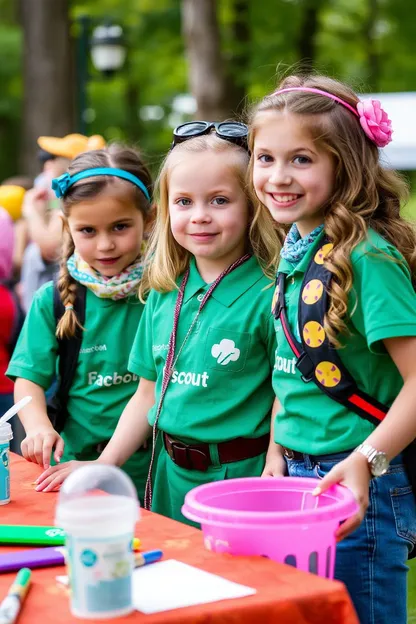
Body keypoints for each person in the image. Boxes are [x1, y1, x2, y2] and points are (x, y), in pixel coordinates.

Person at [36, 122, 280, 525]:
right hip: (166, 476)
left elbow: (282, 392)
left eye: (219, 200)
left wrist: (275, 456)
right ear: (166, 210)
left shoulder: (270, 290)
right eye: (184, 202)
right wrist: (106, 463)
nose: (199, 216)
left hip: (241, 478)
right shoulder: (164, 289)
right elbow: (147, 395)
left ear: (252, 204)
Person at [250, 74, 416, 624]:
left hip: (357, 478)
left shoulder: (368, 258)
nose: (277, 177)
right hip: (296, 473)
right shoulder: (298, 248)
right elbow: (291, 372)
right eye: (264, 157)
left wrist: (366, 462)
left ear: (343, 165)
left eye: (300, 159)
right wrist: (278, 448)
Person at [6, 144, 154, 503]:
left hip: (155, 471)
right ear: (66, 227)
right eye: (87, 230)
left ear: (148, 221)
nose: (105, 244)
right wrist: (39, 428)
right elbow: (29, 380)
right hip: (76, 470)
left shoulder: (165, 292)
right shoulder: (52, 300)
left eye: (120, 226)